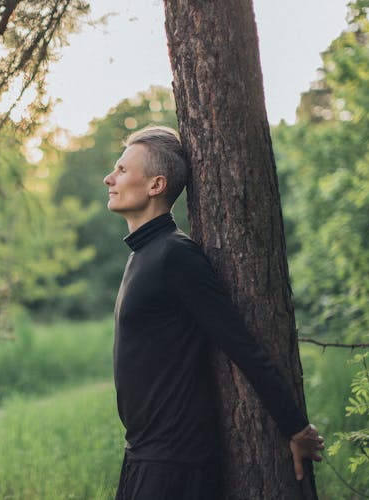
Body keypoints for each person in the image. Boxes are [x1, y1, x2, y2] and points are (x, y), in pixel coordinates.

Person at [104, 125, 324, 499]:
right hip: (144, 456)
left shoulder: (176, 255)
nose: (110, 177)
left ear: (156, 185)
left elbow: (241, 344)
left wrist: (296, 427)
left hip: (175, 462)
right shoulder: (143, 255)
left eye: (123, 170)